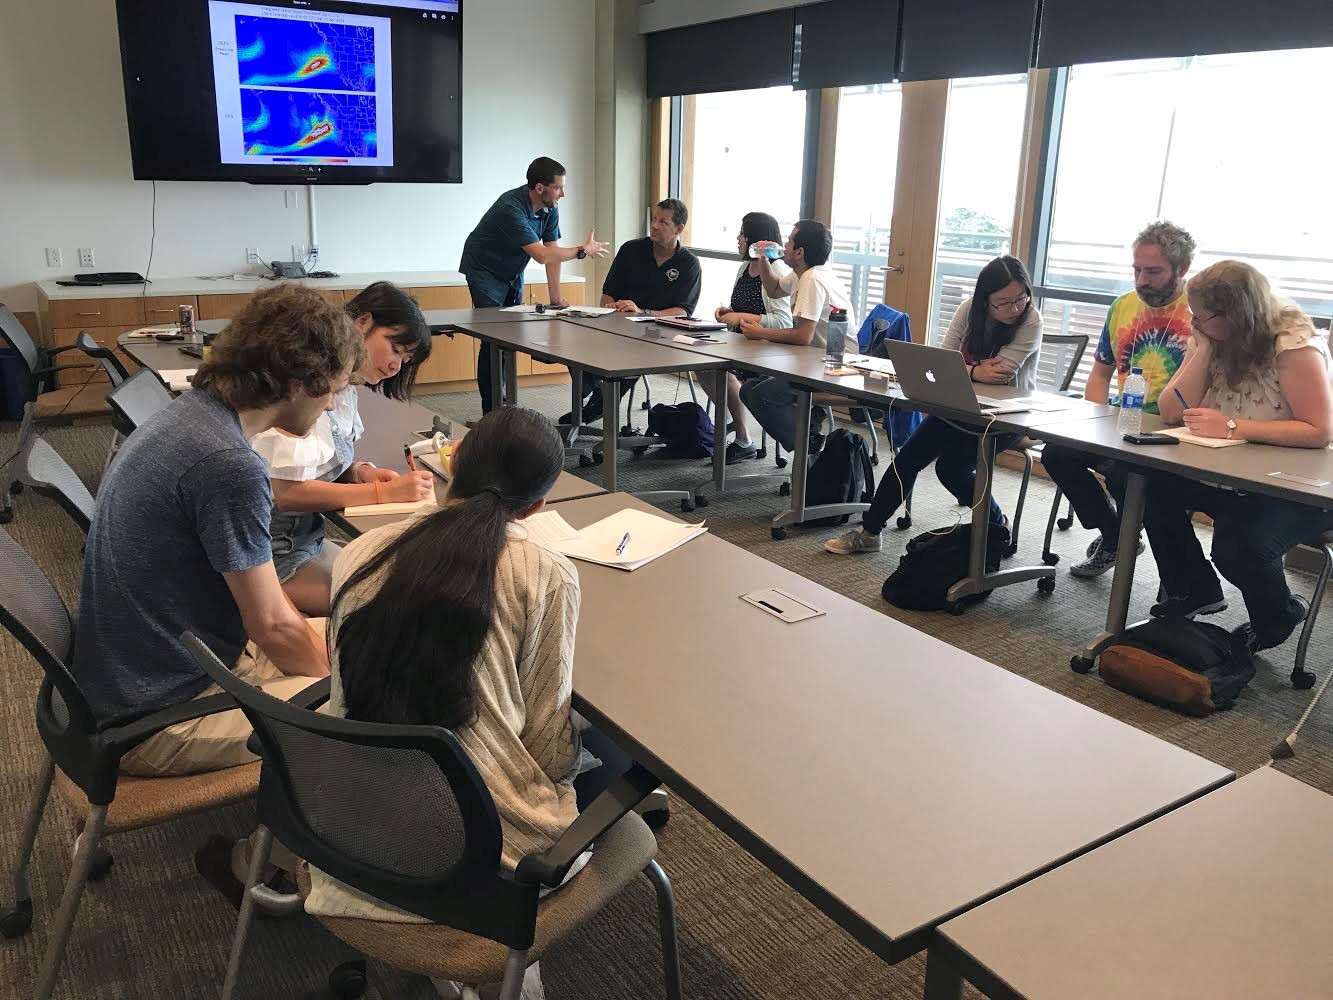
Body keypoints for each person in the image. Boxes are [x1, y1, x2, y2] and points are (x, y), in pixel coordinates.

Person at [305, 406, 630, 996]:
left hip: (350, 824)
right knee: (616, 751)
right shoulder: (544, 570)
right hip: (476, 859)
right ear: (536, 506)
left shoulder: (359, 551)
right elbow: (548, 743)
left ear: (451, 467)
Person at [72, 282, 361, 772]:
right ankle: (282, 830)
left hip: (147, 671)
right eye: (333, 390)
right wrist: (334, 690)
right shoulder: (227, 464)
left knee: (367, 645)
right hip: (157, 717)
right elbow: (271, 626)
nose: (333, 406)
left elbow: (269, 619)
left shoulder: (191, 415)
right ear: (299, 381)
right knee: (366, 711)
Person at [1145, 260, 1333, 652]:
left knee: (1239, 547)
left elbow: (1319, 430)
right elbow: (1171, 411)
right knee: (1144, 483)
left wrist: (1231, 426)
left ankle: (1277, 618)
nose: (1195, 324)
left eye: (1202, 317)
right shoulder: (1213, 337)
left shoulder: (1293, 345)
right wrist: (1203, 351)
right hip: (1228, 473)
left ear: (1236, 315)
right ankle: (1194, 588)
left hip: (1296, 485)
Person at [824, 255, 1043, 555]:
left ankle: (996, 525)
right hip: (959, 403)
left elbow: (1002, 373)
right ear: (985, 300)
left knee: (951, 467)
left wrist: (965, 369)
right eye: (1003, 302)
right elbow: (944, 360)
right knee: (908, 458)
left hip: (1008, 415)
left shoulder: (1031, 320)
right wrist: (975, 371)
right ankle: (870, 532)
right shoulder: (969, 310)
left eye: (1021, 298)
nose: (1014, 309)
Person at [250, 282, 435, 617]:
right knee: (392, 607)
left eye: (405, 360)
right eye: (395, 349)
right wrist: (382, 493)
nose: (396, 367)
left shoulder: (346, 385)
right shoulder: (307, 382)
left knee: (407, 579)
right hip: (273, 556)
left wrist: (358, 472)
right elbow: (285, 492)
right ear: (362, 322)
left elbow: (313, 462)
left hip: (305, 540)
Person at [1041, 221, 1196, 578]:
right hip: (1121, 421)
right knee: (1057, 453)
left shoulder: (1201, 313)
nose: (1142, 280)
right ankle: (1115, 535)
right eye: (1137, 270)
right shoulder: (1122, 307)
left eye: (1153, 272)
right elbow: (1100, 374)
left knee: (1122, 474)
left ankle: (1157, 563)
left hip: (1172, 431)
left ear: (1182, 268)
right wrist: (1095, 421)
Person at [460, 156, 608, 412]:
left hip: (512, 271)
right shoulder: (510, 207)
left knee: (510, 335)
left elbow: (553, 251)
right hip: (484, 270)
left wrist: (556, 297)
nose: (563, 194)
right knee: (493, 338)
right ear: (540, 188)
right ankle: (492, 412)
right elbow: (541, 255)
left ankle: (506, 404)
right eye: (558, 188)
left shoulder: (550, 208)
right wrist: (582, 250)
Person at [568, 198, 703, 425]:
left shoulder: (689, 264)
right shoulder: (631, 250)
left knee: (632, 351)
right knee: (576, 338)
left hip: (660, 334)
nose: (654, 226)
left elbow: (683, 311)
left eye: (663, 222)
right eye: (654, 219)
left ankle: (601, 403)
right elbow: (608, 293)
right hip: (619, 324)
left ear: (679, 229)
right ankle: (593, 391)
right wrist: (609, 307)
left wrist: (643, 312)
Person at [735, 219, 856, 452]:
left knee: (761, 394)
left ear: (799, 252)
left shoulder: (813, 278)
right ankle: (807, 428)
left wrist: (762, 332)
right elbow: (774, 289)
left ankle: (808, 444)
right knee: (749, 389)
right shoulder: (802, 274)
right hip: (811, 361)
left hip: (832, 365)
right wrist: (763, 258)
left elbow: (803, 336)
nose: (784, 245)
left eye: (790, 241)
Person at [707, 211, 793, 463]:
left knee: (721, 370)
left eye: (743, 233)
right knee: (702, 364)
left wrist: (741, 317)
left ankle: (743, 438)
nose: (738, 238)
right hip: (739, 344)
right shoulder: (745, 268)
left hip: (766, 350)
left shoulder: (776, 270)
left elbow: (783, 322)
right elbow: (742, 309)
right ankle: (733, 419)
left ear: (756, 239)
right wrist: (729, 312)